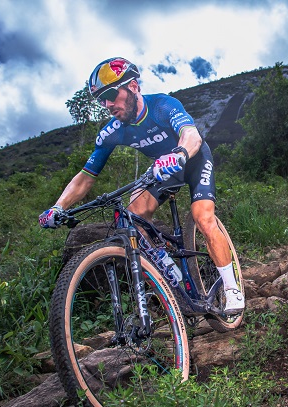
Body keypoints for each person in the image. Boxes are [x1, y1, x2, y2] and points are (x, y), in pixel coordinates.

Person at [39, 57, 244, 314]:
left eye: (111, 94)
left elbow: (192, 135)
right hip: (163, 169)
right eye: (102, 100)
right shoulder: (113, 131)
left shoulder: (162, 106)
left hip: (192, 159)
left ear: (133, 86)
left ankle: (231, 287)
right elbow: (86, 176)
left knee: (202, 218)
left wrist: (179, 154)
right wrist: (58, 207)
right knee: (132, 215)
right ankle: (164, 262)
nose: (107, 104)